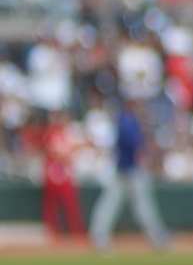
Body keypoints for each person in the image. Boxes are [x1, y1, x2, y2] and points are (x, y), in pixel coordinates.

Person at [90, 100, 171, 252]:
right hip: (128, 170)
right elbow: (134, 145)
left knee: (124, 206)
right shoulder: (126, 121)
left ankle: (100, 238)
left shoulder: (128, 120)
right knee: (139, 207)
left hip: (126, 169)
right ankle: (157, 239)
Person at [37, 110, 85, 241]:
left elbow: (73, 149)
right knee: (51, 206)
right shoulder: (51, 132)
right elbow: (52, 152)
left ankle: (76, 233)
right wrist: (65, 156)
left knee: (71, 205)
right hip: (53, 173)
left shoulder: (67, 133)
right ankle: (52, 233)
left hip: (64, 174)